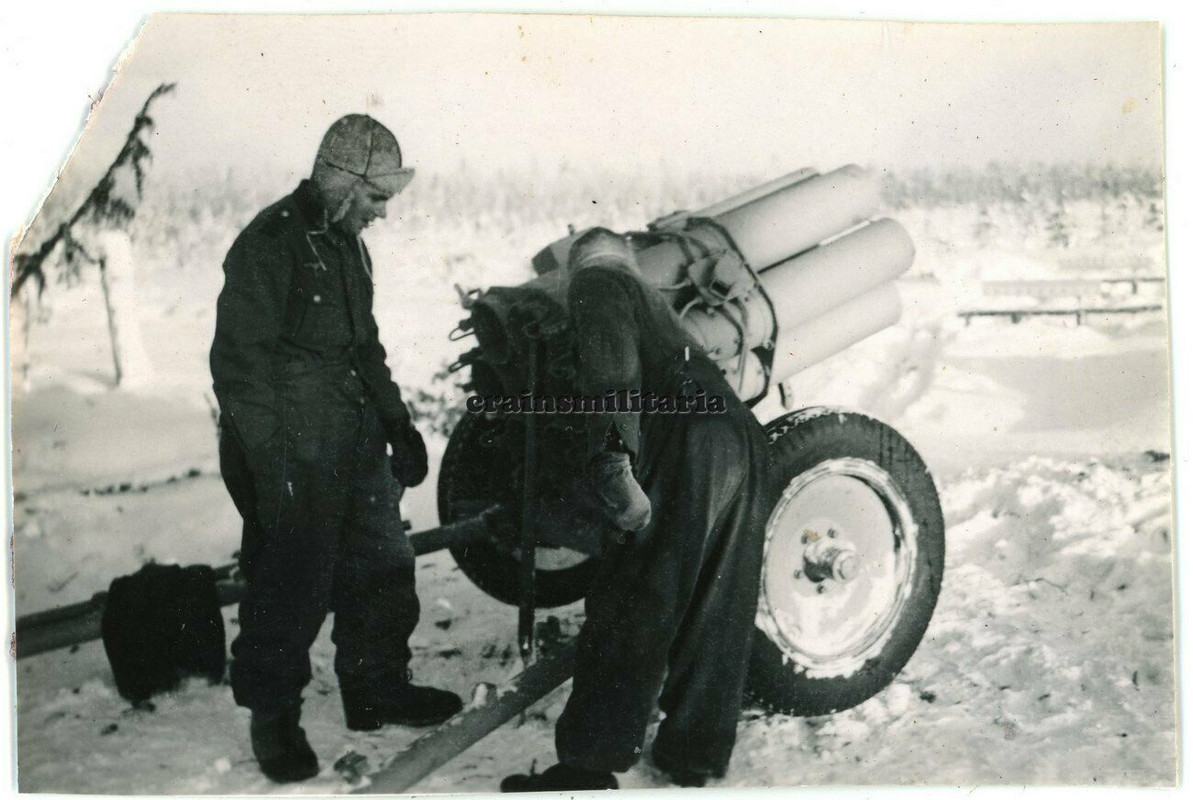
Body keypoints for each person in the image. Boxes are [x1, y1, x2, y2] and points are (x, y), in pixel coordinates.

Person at [210, 114, 462, 783]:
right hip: (293, 447)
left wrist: (399, 424)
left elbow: (364, 347)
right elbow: (239, 370)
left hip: (353, 436)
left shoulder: (347, 245)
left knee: (383, 561)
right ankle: (273, 718)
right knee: (290, 582)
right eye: (378, 197)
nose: (383, 212)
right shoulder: (270, 245)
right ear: (343, 182)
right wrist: (274, 469)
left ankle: (375, 686)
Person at [501, 228, 771, 792]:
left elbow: (612, 371)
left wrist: (613, 463)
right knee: (717, 601)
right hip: (740, 436)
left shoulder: (597, 282)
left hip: (687, 445)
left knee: (633, 600)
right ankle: (693, 754)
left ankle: (587, 768)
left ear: (579, 265)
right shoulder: (653, 299)